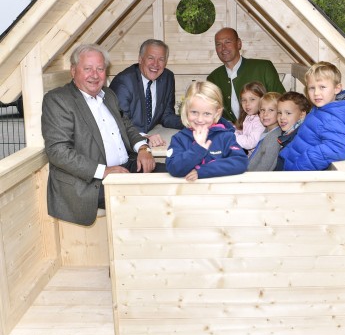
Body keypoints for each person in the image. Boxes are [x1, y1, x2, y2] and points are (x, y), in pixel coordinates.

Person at [41, 43, 163, 227]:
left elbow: (126, 125)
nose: (95, 75)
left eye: (100, 69)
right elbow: (58, 151)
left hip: (126, 166)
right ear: (73, 71)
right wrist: (104, 171)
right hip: (91, 182)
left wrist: (143, 148)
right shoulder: (58, 100)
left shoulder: (108, 94)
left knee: (176, 175)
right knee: (149, 202)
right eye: (88, 69)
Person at [279, 61, 345, 171]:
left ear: (337, 88)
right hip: (289, 162)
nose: (316, 93)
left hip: (298, 171)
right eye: (312, 88)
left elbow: (337, 149)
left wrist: (300, 165)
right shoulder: (323, 109)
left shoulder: (332, 118)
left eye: (322, 87)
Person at [166, 81, 248, 180]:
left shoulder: (225, 137)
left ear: (217, 113)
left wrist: (203, 171)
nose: (200, 119)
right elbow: (173, 168)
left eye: (207, 114)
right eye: (194, 112)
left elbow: (241, 162)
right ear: (186, 110)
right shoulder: (179, 139)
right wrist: (198, 149)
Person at [109, 39, 183, 147]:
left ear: (166, 62)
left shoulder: (167, 78)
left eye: (161, 59)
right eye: (150, 58)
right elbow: (119, 124)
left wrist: (190, 122)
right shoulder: (124, 82)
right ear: (140, 59)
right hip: (124, 145)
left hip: (151, 140)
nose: (155, 64)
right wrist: (145, 138)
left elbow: (166, 116)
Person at [207, 27, 285, 122]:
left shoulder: (263, 68)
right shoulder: (213, 78)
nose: (223, 48)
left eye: (228, 42)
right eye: (219, 44)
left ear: (239, 44)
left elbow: (282, 102)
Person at [274, 91, 311, 170]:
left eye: (288, 113)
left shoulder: (299, 139)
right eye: (279, 113)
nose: (282, 117)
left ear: (302, 115)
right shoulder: (288, 134)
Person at [247, 92, 282, 171]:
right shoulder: (267, 131)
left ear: (279, 112)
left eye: (271, 110)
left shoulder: (274, 138)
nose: (265, 114)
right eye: (262, 110)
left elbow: (265, 167)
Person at [234, 81, 266, 156]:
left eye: (252, 99)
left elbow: (250, 143)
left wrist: (231, 136)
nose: (247, 104)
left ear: (262, 100)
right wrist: (232, 129)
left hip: (254, 161)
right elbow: (242, 132)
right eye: (244, 100)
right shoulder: (248, 116)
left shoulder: (261, 121)